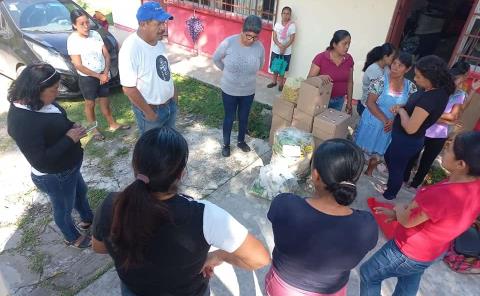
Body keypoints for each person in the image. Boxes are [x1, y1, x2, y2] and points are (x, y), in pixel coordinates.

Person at [92, 127, 271, 296]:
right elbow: (259, 258)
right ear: (181, 174)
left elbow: (99, 247)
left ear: (134, 166)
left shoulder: (111, 204)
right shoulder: (204, 215)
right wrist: (217, 256)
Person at [360, 131, 480, 296]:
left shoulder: (443, 195)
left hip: (409, 251)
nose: (444, 149)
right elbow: (435, 215)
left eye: (449, 148)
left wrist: (398, 209)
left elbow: (408, 221)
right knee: (408, 281)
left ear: (461, 164)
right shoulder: (474, 185)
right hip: (434, 251)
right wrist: (400, 214)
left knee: (369, 274)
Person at [266, 139, 378, 296]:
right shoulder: (367, 226)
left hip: (283, 289)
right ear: (355, 179)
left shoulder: (285, 205)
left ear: (316, 175)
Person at [7, 64, 93, 248]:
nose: (57, 93)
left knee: (81, 192)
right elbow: (40, 160)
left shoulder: (41, 102)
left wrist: (71, 126)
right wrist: (69, 139)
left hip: (69, 167)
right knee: (63, 209)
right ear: (36, 90)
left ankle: (88, 219)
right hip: (54, 175)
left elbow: (57, 120)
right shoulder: (21, 121)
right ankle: (72, 237)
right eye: (54, 90)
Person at [382, 55, 455, 200]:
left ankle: (390, 194)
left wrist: (401, 111)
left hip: (407, 140)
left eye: (419, 76)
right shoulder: (433, 89)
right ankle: (394, 182)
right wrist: (403, 106)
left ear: (432, 78)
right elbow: (414, 107)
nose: (415, 79)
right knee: (389, 157)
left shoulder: (431, 98)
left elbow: (410, 128)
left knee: (397, 168)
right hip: (405, 140)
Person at [404, 61, 471, 188]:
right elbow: (448, 117)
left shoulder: (459, 95)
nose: (456, 82)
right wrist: (445, 118)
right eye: (455, 78)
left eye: (460, 80)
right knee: (412, 155)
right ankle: (404, 179)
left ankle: (414, 184)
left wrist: (430, 115)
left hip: (439, 135)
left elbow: (454, 117)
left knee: (427, 162)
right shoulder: (436, 89)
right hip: (423, 129)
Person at [67, 9, 129, 141]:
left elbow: (106, 54)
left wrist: (105, 72)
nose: (86, 26)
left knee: (105, 100)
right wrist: (98, 76)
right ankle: (94, 129)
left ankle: (112, 124)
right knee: (90, 104)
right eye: (81, 24)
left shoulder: (95, 34)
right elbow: (78, 65)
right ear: (74, 25)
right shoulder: (72, 40)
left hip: (103, 74)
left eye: (87, 22)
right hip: (87, 78)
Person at [119, 2, 177, 135]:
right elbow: (128, 88)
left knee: (169, 146)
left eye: (164, 23)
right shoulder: (131, 49)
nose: (164, 28)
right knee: (153, 152)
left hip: (169, 106)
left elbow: (165, 72)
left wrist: (174, 98)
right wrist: (149, 113)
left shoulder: (158, 43)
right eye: (159, 23)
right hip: (152, 112)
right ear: (143, 24)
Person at [355, 52, 416, 176]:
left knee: (379, 152)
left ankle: (369, 172)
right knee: (361, 149)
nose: (395, 67)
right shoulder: (380, 81)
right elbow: (370, 103)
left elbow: (409, 108)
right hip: (374, 120)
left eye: (400, 65)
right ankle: (354, 170)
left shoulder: (410, 87)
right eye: (394, 63)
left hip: (390, 125)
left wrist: (393, 122)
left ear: (408, 69)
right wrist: (385, 120)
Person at [213, 15, 265, 157]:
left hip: (248, 90)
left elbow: (260, 64)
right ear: (242, 30)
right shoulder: (229, 43)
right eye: (248, 36)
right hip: (229, 89)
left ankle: (241, 141)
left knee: (244, 117)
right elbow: (216, 59)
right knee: (229, 117)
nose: (251, 40)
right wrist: (227, 71)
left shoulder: (259, 47)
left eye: (255, 37)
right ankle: (226, 144)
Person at [307, 30, 354, 114]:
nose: (347, 47)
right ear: (334, 44)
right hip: (321, 98)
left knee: (331, 124)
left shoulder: (349, 59)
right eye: (344, 43)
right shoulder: (321, 58)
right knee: (318, 123)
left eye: (349, 44)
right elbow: (309, 79)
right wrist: (319, 77)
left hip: (339, 100)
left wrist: (349, 102)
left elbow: (350, 82)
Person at [358, 43, 396, 116]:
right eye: (392, 57)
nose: (394, 60)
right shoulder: (374, 69)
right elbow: (380, 91)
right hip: (367, 107)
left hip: (376, 105)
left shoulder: (386, 67)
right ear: (385, 57)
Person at [267, 6, 296, 92]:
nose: (286, 15)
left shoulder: (292, 26)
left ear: (290, 15)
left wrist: (284, 47)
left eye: (288, 14)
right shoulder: (277, 24)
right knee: (275, 67)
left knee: (282, 68)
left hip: (286, 51)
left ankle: (281, 84)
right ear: (281, 14)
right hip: (276, 50)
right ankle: (274, 82)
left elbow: (292, 39)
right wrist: (280, 45)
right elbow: (274, 37)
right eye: (284, 13)